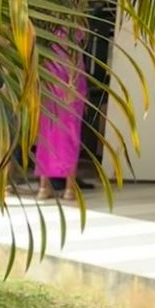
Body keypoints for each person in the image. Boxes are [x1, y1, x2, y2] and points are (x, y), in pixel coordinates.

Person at [36, 23, 88, 202]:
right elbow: (75, 54)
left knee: (48, 132)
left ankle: (44, 187)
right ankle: (68, 189)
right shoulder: (74, 23)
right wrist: (72, 83)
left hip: (50, 78)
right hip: (65, 80)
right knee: (68, 134)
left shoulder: (46, 22)